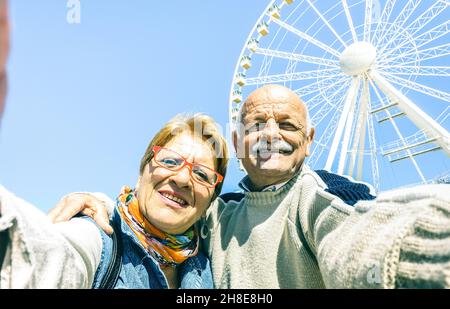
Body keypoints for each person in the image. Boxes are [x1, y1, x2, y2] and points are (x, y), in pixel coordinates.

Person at [52, 84, 450, 289]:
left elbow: (362, 232)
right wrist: (98, 204)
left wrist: (423, 251)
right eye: (257, 124)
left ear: (309, 140)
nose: (271, 134)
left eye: (288, 125)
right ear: (240, 140)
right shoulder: (214, 219)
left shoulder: (322, 195)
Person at [0, 0, 230, 288]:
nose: (183, 178)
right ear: (143, 171)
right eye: (170, 161)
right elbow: (46, 259)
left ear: (212, 199)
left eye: (202, 175)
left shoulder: (211, 268)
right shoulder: (99, 237)